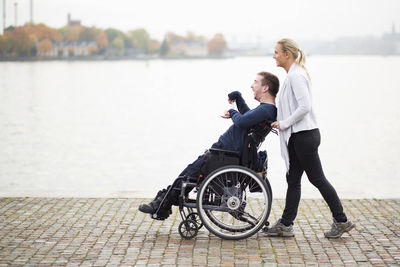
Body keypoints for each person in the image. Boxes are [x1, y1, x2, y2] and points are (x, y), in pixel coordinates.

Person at [139, 71, 279, 219]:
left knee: (189, 174)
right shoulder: (266, 110)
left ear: (265, 88)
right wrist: (238, 97)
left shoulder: (266, 109)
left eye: (256, 82)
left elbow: (242, 121)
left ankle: (162, 205)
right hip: (226, 151)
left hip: (224, 153)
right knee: (189, 173)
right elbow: (247, 116)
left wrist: (232, 112)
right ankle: (162, 203)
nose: (252, 86)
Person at [264, 38, 355, 238]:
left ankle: (341, 220)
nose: (274, 55)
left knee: (317, 179)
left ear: (287, 54)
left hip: (304, 136)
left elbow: (304, 107)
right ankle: (286, 224)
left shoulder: (296, 76)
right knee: (293, 179)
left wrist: (285, 123)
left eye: (277, 52)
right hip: (301, 136)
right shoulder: (293, 75)